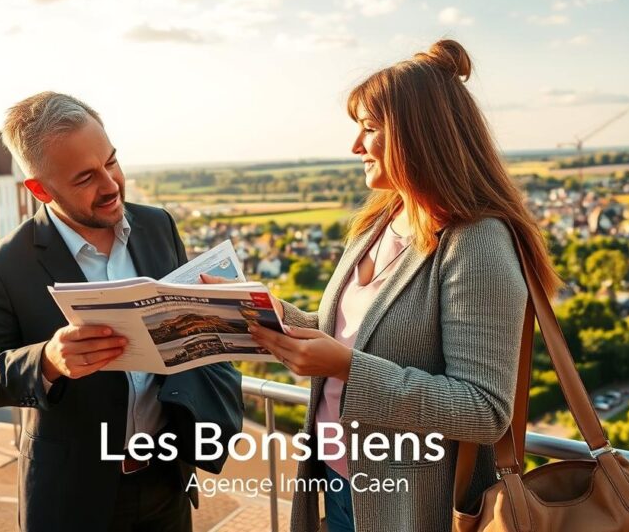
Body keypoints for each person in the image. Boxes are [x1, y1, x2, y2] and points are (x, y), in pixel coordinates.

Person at [234, 40, 561, 532]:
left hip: (409, 507)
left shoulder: (477, 243)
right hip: (339, 481)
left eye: (369, 129)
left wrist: (345, 367)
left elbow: (485, 408)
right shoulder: (379, 223)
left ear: (417, 136)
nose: (355, 147)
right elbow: (347, 337)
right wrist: (263, 310)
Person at [0, 92, 243, 532]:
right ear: (40, 189)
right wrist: (48, 360)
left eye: (111, 162)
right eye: (86, 177)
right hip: (73, 499)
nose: (110, 185)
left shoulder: (158, 225)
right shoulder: (4, 265)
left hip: (167, 480)